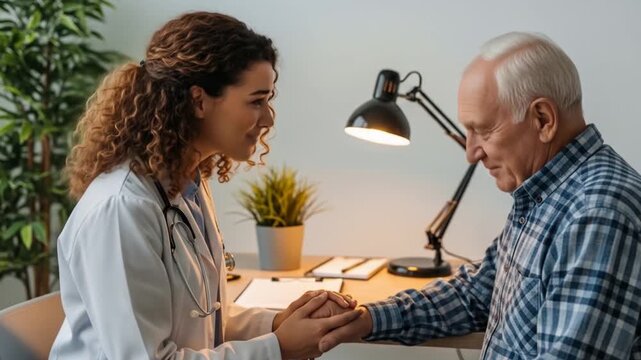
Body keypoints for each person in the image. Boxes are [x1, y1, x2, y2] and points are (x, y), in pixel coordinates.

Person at [50, 11, 361, 360]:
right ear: (199, 100)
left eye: (269, 100)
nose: (269, 118)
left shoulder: (188, 188)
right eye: (257, 101)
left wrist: (278, 324)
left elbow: (205, 317)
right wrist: (279, 348)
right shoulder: (122, 209)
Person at [318, 32, 641, 359]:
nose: (471, 153)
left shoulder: (597, 213)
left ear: (543, 119)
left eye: (484, 130)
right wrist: (366, 318)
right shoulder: (546, 192)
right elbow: (474, 294)